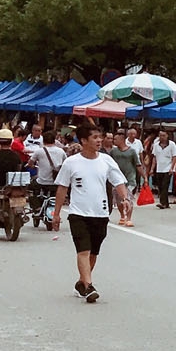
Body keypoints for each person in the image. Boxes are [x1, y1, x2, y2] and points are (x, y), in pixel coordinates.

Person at [52, 124, 128, 303]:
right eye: (94, 137)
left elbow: (118, 181)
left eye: (99, 137)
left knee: (93, 252)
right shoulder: (71, 162)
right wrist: (56, 214)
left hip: (101, 213)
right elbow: (62, 188)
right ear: (84, 141)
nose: (99, 140)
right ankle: (89, 286)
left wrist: (124, 199)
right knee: (83, 251)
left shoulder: (106, 160)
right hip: (78, 214)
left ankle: (82, 283)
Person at [148, 129, 176, 209]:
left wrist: (172, 168)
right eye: (160, 135)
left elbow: (175, 157)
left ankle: (162, 203)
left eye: (164, 135)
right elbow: (154, 157)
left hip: (168, 168)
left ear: (167, 136)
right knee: (160, 186)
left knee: (165, 185)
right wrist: (152, 169)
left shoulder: (172, 144)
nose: (162, 137)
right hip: (159, 168)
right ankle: (166, 203)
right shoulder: (156, 145)